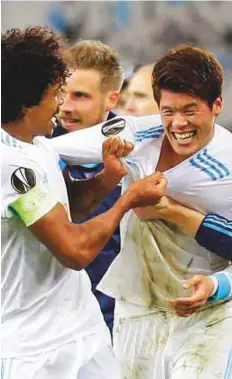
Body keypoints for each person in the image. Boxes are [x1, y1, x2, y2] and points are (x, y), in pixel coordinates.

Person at [51, 44, 232, 379]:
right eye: (168, 111)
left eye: (190, 111)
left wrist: (218, 284)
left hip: (209, 313)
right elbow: (46, 150)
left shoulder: (227, 167)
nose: (178, 124)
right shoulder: (136, 134)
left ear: (217, 105)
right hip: (137, 307)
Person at [1, 26, 167, 379]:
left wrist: (109, 175)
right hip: (34, 354)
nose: (60, 104)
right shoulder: (8, 165)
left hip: (84, 334)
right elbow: (74, 250)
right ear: (28, 99)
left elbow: (70, 208)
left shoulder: (38, 147)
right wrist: (129, 200)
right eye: (56, 93)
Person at [52, 39, 124, 333]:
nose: (66, 107)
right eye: (61, 94)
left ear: (112, 99)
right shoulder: (31, 151)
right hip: (43, 330)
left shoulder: (143, 156)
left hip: (112, 327)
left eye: (80, 96)